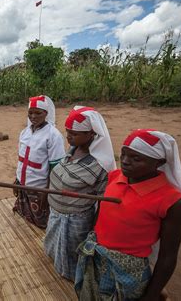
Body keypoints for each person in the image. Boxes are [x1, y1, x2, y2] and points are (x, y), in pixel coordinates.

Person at [75, 129, 181, 300]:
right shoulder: (115, 177)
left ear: (159, 162)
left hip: (128, 269)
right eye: (123, 154)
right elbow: (101, 210)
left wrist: (150, 296)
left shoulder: (172, 201)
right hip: (96, 255)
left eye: (136, 158)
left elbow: (168, 256)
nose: (125, 162)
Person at [44, 106, 116, 281]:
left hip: (76, 219)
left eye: (74, 134)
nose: (68, 136)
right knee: (56, 247)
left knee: (72, 251)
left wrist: (95, 228)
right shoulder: (72, 150)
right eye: (67, 132)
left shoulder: (99, 165)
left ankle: (72, 278)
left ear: (91, 134)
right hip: (57, 213)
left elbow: (102, 202)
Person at [14, 95, 65, 228]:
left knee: (41, 222)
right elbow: (21, 160)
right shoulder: (24, 132)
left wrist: (46, 192)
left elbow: (55, 168)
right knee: (24, 213)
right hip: (23, 184)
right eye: (30, 113)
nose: (33, 116)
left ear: (46, 114)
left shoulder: (53, 136)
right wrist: (17, 180)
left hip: (39, 188)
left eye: (38, 113)